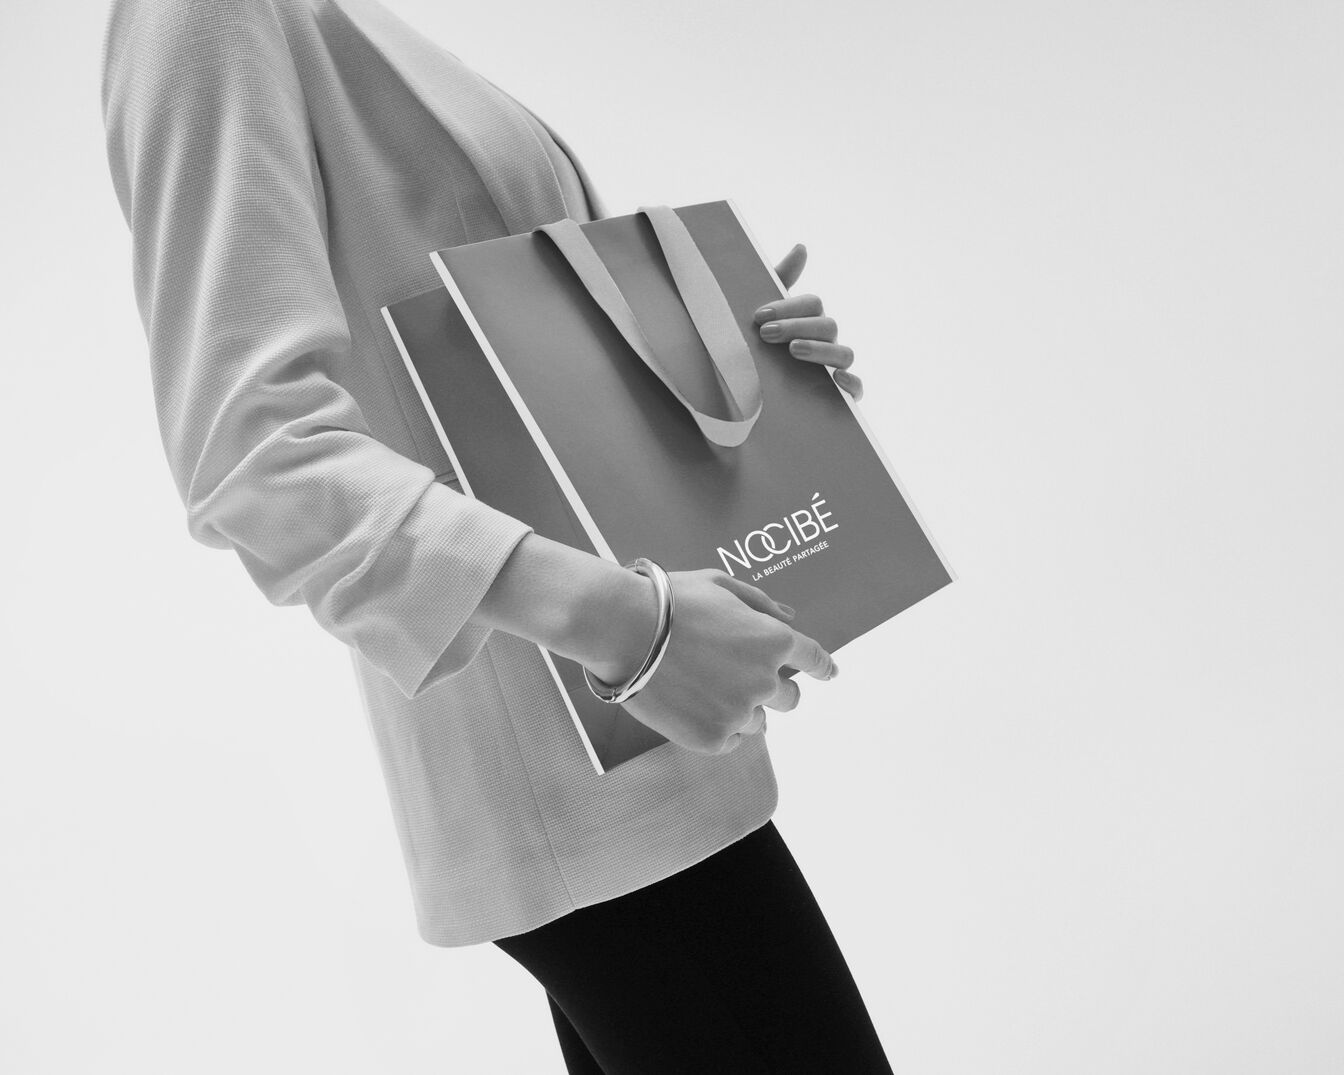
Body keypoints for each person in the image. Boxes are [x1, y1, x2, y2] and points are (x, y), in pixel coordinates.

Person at [100, 0, 889, 1068]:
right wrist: (631, 627)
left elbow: (505, 358)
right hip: (585, 771)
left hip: (649, 763)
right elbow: (254, 451)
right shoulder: (202, 14)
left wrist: (733, 360)